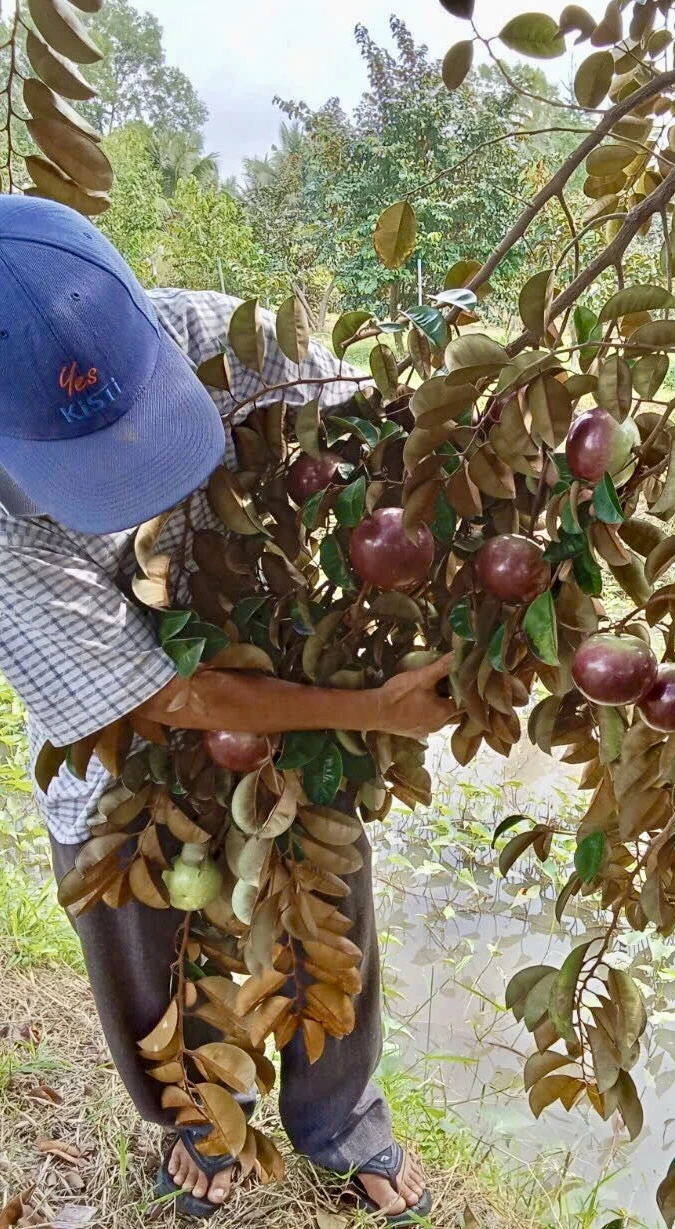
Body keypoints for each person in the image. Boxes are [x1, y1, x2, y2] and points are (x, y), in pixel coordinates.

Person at [0, 194, 456, 1223]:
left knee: (322, 882)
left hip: (267, 651)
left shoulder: (215, 336)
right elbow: (160, 693)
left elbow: (377, 420)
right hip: (115, 712)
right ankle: (201, 1122)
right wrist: (370, 708)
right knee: (132, 914)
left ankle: (340, 1119)